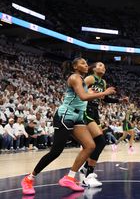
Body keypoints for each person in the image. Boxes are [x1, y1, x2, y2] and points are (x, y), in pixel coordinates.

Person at [21, 58, 116, 195]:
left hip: (77, 116)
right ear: (75, 66)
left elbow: (83, 96)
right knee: (56, 152)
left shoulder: (82, 80)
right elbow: (83, 97)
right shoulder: (74, 77)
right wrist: (104, 93)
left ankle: (69, 177)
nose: (86, 65)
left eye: (86, 63)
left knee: (90, 146)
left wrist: (94, 94)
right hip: (65, 116)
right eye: (83, 63)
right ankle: (29, 179)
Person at [80, 62, 128, 188]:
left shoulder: (103, 82)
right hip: (86, 110)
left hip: (95, 111)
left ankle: (85, 168)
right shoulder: (90, 78)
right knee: (100, 142)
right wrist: (89, 92)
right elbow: (79, 92)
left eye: (104, 66)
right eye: (100, 65)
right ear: (94, 68)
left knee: (97, 143)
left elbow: (105, 99)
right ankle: (88, 173)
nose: (103, 67)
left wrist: (119, 100)